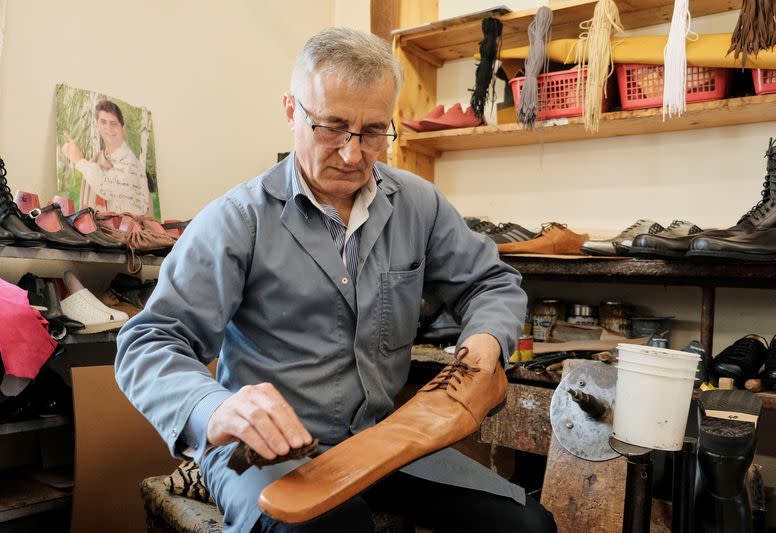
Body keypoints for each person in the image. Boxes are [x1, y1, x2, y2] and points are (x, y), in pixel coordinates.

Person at [115, 27, 556, 533]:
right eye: (332, 126)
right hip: (262, 455)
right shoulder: (237, 219)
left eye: (373, 132)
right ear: (291, 112)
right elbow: (148, 341)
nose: (352, 154)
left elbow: (491, 282)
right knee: (334, 528)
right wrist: (217, 408)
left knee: (528, 526)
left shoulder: (419, 204)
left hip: (384, 440)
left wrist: (485, 341)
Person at [61, 100, 152, 215]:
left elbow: (106, 187)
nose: (108, 128)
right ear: (97, 125)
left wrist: (78, 160)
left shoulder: (131, 163)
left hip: (126, 231)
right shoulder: (96, 159)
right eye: (103, 122)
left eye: (113, 123)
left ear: (123, 129)